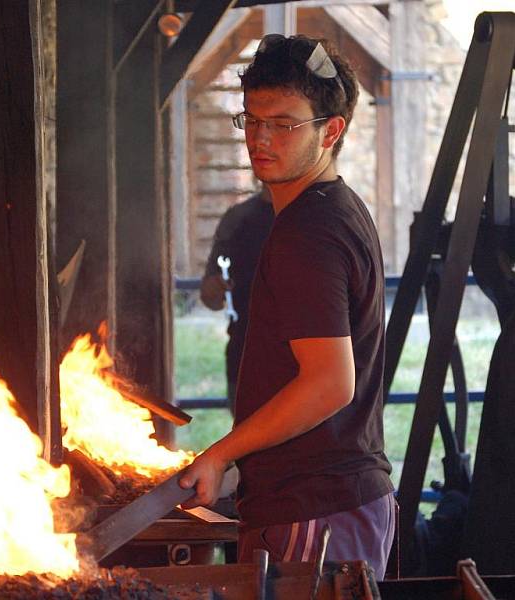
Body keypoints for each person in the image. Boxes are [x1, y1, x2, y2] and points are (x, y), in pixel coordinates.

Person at [179, 34, 395, 579]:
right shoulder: (333, 208)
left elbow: (329, 382)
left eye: (283, 124)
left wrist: (221, 452)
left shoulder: (309, 234)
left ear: (332, 131)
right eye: (251, 120)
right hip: (332, 501)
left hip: (313, 511)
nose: (260, 138)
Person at [200, 185, 274, 414]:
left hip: (303, 362)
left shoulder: (316, 218)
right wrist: (213, 290)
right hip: (245, 354)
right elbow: (210, 297)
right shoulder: (238, 220)